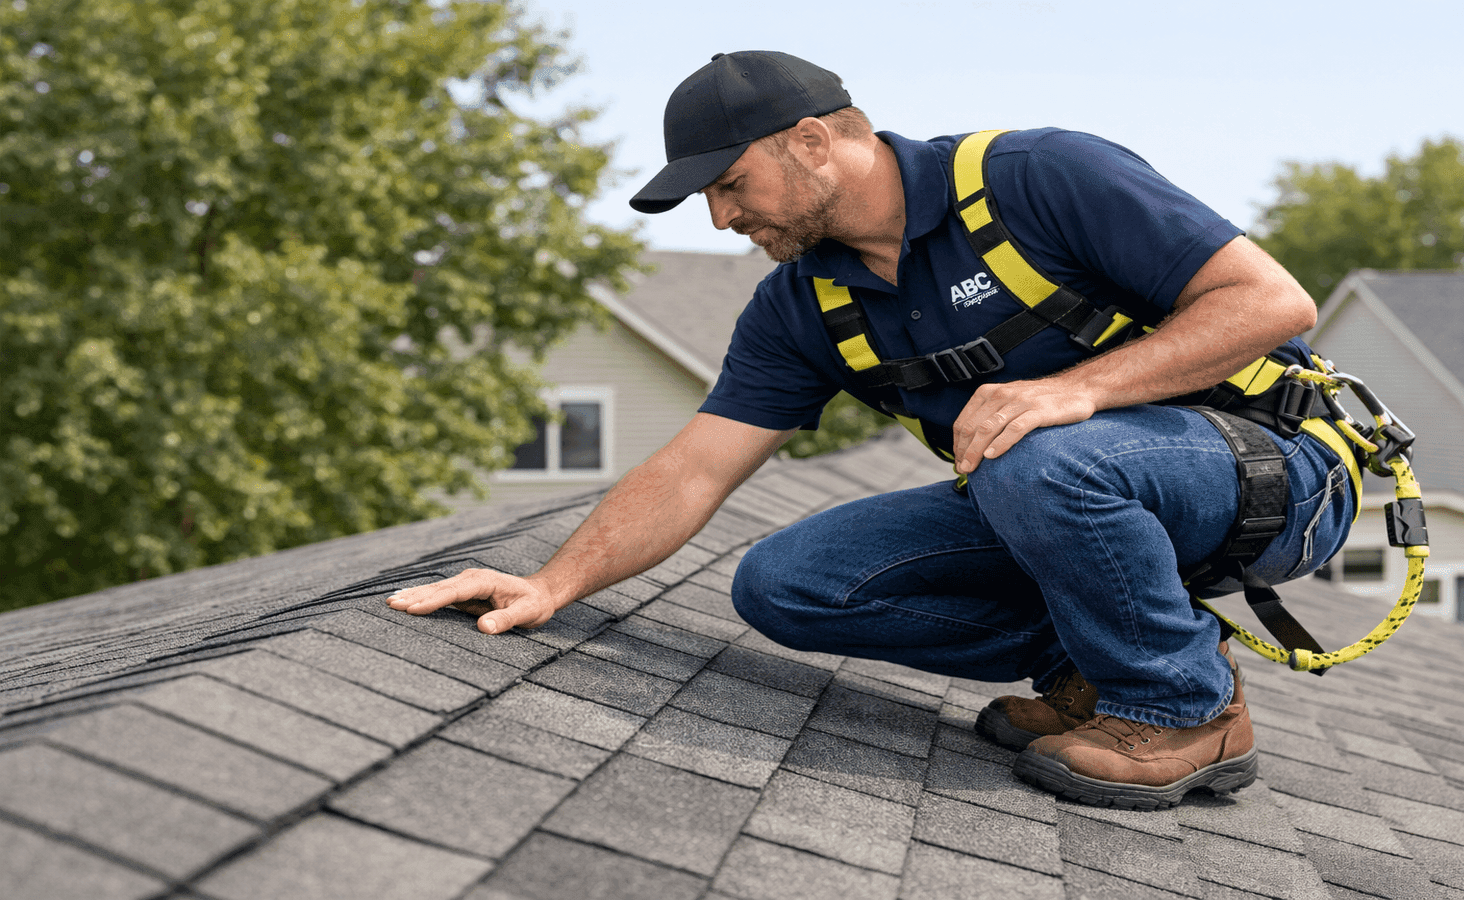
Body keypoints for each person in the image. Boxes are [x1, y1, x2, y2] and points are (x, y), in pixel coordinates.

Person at [386, 51, 1356, 809]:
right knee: (787, 585)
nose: (722, 218)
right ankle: (1094, 669)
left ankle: (1183, 711)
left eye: (729, 183)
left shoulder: (1037, 177)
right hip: (1060, 490)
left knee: (1034, 450)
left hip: (1272, 476)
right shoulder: (802, 305)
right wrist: (554, 582)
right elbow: (694, 468)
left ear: (812, 139)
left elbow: (1269, 302)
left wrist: (1077, 391)